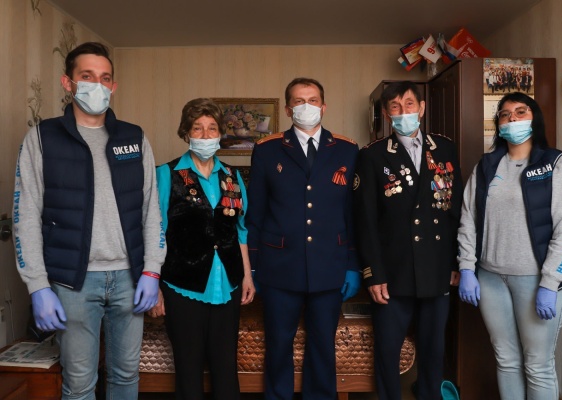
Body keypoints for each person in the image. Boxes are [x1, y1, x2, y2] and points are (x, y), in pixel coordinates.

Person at [12, 42, 166, 398]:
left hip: (130, 278)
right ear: (68, 83)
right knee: (80, 382)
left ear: (114, 86)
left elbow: (151, 209)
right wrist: (37, 286)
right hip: (72, 283)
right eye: (87, 76)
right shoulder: (43, 138)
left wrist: (152, 270)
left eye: (105, 78)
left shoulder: (134, 138)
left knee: (126, 376)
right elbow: (26, 215)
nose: (97, 85)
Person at [457, 92, 562, 400]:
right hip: (490, 279)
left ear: (534, 118)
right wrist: (467, 268)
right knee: (507, 360)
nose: (512, 118)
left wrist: (550, 283)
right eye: (505, 114)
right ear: (498, 124)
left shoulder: (556, 164)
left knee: (538, 365)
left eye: (520, 111)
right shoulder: (486, 166)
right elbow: (468, 218)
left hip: (537, 280)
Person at [246, 77, 361, 399]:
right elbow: (255, 214)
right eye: (298, 101)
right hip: (278, 266)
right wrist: (252, 267)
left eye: (312, 100)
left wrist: (353, 264)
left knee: (323, 345)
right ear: (287, 109)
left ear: (324, 107)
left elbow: (353, 214)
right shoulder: (267, 149)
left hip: (330, 265)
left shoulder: (347, 149)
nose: (306, 106)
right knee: (278, 344)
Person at [353, 81, 463, 400]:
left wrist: (456, 261)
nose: (404, 112)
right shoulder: (373, 155)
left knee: (434, 347)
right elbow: (365, 221)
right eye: (396, 107)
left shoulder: (445, 148)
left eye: (410, 104)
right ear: (387, 114)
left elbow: (454, 210)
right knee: (388, 350)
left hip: (436, 265)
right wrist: (373, 273)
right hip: (393, 270)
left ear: (422, 108)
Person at [148, 98, 255, 399]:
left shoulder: (233, 177)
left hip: (228, 283)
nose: (205, 135)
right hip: (183, 285)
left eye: (212, 128)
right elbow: (155, 232)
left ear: (220, 134)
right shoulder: (166, 174)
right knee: (188, 370)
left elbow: (240, 230)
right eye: (198, 128)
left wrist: (247, 276)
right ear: (186, 133)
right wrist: (153, 286)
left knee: (226, 368)